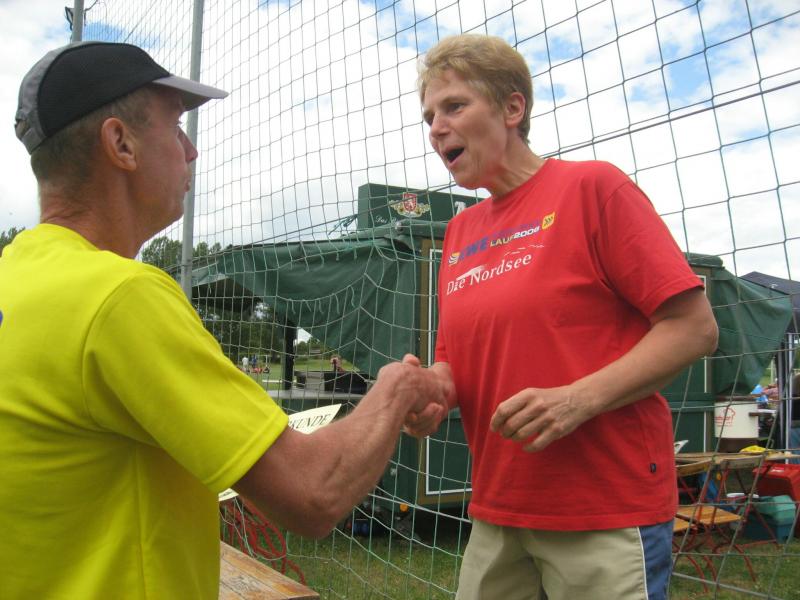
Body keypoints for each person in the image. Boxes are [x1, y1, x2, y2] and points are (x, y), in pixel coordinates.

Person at [0, 41, 450, 600]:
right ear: (120, 143)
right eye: (176, 127)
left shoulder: (16, 275)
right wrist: (398, 387)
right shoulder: (118, 295)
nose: (190, 151)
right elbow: (312, 493)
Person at [406, 35, 719, 600]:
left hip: (603, 506)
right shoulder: (459, 232)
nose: (436, 128)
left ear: (512, 108)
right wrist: (431, 391)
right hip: (498, 506)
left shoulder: (593, 188)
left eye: (454, 106)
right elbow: (454, 362)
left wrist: (576, 399)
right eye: (429, 116)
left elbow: (693, 328)